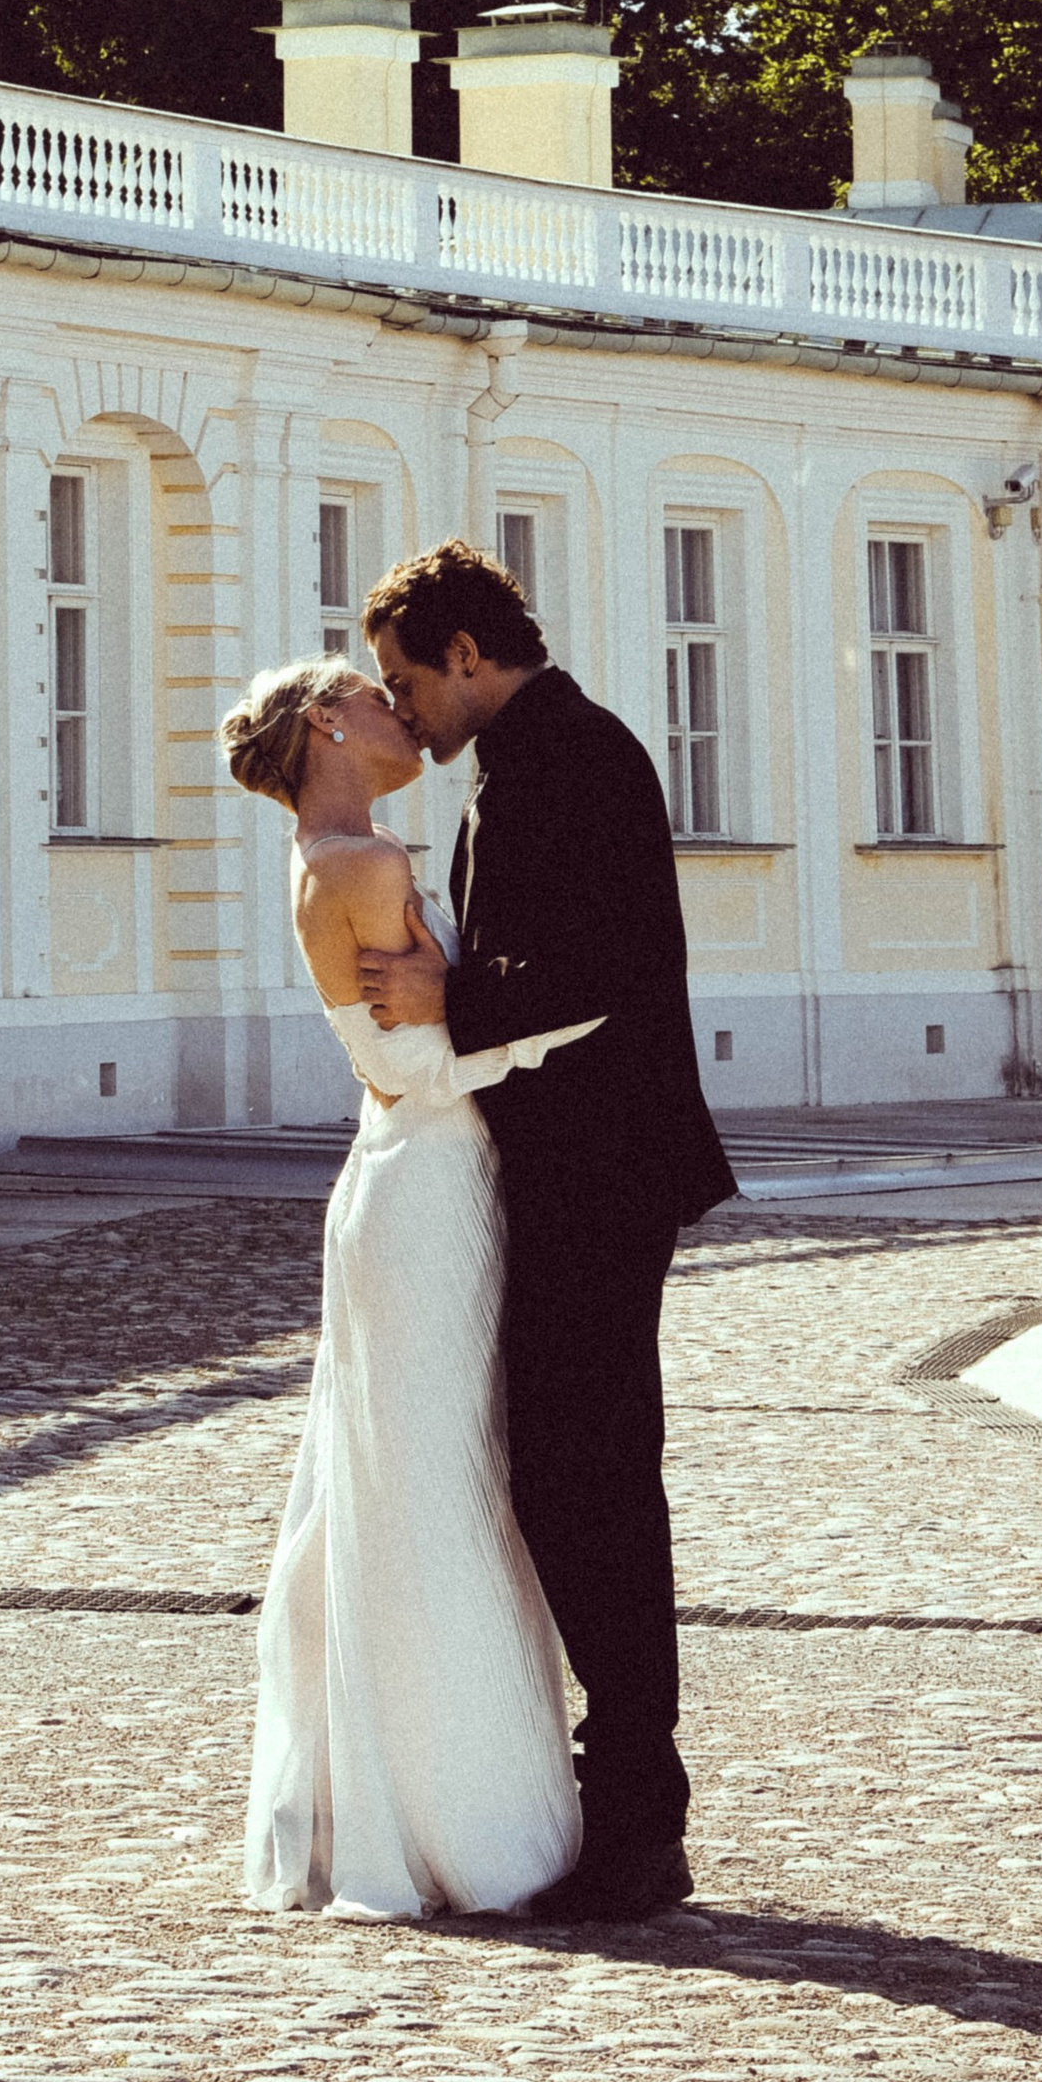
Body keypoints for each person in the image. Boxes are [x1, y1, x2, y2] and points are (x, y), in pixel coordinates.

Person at [358, 538, 735, 1922]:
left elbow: (594, 972)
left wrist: (446, 995)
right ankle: (622, 1793)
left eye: (408, 683)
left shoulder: (574, 756)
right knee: (570, 1479)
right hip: (573, 1165)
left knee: (595, 1487)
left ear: (470, 653)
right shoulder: (526, 761)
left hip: (606, 1165)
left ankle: (639, 1811)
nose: (402, 714)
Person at [219, 654, 601, 1918]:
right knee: (438, 1487)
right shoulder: (364, 867)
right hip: (428, 1184)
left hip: (406, 1183)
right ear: (332, 721)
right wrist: (575, 1017)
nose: (402, 713)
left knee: (402, 1485)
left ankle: (402, 1794)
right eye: (375, 695)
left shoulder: (341, 855)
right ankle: (463, 1819)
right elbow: (413, 1071)